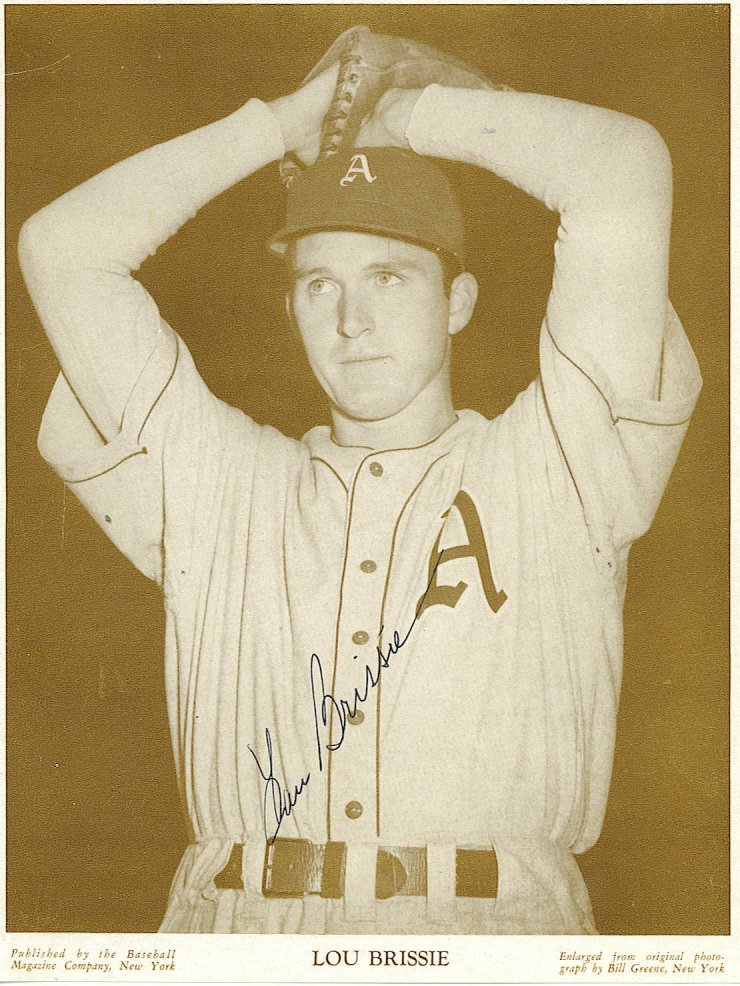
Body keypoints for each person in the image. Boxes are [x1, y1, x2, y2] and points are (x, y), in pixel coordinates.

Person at [19, 27, 701, 936]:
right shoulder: (219, 480)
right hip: (238, 930)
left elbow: (623, 166)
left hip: (489, 936)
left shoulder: (560, 461)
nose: (351, 320)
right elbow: (61, 249)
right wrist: (282, 124)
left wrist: (405, 115)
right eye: (318, 285)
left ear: (457, 301)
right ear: (291, 307)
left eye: (389, 275)